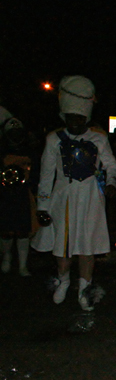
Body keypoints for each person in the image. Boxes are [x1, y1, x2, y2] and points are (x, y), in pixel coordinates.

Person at [33, 76, 116, 311]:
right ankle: (63, 280)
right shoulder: (53, 139)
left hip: (91, 197)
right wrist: (42, 206)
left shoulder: (98, 138)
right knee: (63, 242)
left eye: (79, 119)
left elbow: (111, 165)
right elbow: (46, 175)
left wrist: (112, 183)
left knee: (87, 245)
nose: (74, 123)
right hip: (63, 197)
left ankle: (85, 289)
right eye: (71, 118)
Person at [1, 118, 39, 277]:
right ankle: (6, 257)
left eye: (18, 133)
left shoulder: (30, 151)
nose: (16, 136)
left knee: (24, 230)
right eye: (12, 133)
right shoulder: (1, 151)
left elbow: (36, 173)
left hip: (24, 195)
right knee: (5, 230)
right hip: (4, 195)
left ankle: (23, 265)